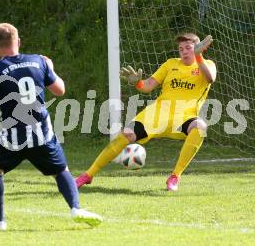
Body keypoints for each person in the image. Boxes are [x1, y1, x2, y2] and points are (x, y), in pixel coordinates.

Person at [0, 23, 102, 230]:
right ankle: (75, 208)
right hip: (40, 134)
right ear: (18, 42)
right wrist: (50, 68)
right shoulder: (38, 61)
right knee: (61, 171)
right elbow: (60, 90)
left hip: (12, 138)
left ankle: (0, 221)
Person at [76, 33, 216, 191]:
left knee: (200, 127)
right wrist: (137, 83)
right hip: (157, 114)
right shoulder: (171, 64)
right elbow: (148, 86)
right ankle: (88, 175)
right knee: (126, 134)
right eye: (180, 49)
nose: (183, 51)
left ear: (198, 49)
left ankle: (175, 176)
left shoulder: (207, 64)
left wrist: (198, 57)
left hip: (184, 118)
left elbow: (210, 78)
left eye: (188, 48)